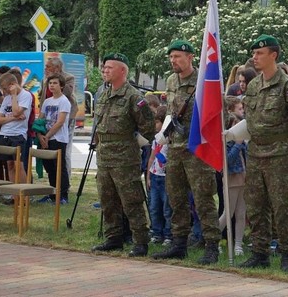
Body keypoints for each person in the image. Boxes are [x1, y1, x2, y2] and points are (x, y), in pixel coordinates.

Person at [226, 34, 288, 272]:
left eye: (259, 53)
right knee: (256, 205)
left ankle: (287, 253)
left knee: (282, 206)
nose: (254, 57)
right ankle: (260, 252)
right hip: (255, 153)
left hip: (280, 155)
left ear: (273, 55)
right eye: (254, 53)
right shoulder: (254, 86)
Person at [151, 40, 221, 265]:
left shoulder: (203, 81)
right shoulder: (171, 81)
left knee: (203, 199)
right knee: (176, 199)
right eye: (171, 57)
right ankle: (178, 243)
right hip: (175, 148)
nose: (173, 61)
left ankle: (212, 246)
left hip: (197, 149)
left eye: (178, 57)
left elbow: (217, 114)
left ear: (190, 57)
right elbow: (171, 111)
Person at [91, 53, 155, 258]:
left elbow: (148, 128)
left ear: (122, 71)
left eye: (109, 67)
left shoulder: (134, 97)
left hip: (125, 159)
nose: (105, 71)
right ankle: (113, 238)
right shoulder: (103, 94)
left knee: (131, 200)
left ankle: (140, 241)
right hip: (104, 156)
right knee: (107, 199)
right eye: (104, 67)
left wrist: (132, 143)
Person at [39, 57, 77, 181]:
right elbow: (42, 96)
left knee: (63, 154)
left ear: (57, 68)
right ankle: (54, 184)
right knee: (48, 154)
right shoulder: (46, 80)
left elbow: (67, 93)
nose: (45, 69)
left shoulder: (68, 78)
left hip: (64, 118)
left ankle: (65, 183)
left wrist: (58, 79)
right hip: (48, 118)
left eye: (48, 66)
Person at [36, 74, 71, 204]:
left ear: (61, 85)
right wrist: (40, 136)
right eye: (50, 83)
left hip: (58, 138)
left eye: (55, 83)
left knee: (59, 167)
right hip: (45, 138)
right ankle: (52, 194)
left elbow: (60, 122)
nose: (52, 85)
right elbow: (40, 120)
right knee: (49, 167)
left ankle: (63, 195)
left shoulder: (64, 101)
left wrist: (48, 135)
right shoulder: (47, 101)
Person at [219, 112, 247, 256]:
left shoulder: (244, 142)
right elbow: (227, 161)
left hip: (244, 178)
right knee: (228, 213)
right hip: (231, 180)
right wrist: (237, 145)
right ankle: (214, 240)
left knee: (241, 214)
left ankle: (238, 245)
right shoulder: (227, 142)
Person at [0, 72, 31, 184]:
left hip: (18, 135)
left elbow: (16, 111)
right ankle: (13, 194)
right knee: (10, 165)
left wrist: (14, 95)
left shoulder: (25, 95)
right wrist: (13, 118)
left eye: (5, 88)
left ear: (13, 84)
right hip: (4, 134)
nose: (4, 92)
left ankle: (23, 194)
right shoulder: (7, 99)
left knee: (18, 165)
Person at [147, 105, 173, 245]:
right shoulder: (156, 139)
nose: (154, 125)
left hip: (165, 178)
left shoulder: (169, 141)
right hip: (155, 176)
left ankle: (168, 234)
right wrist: (148, 176)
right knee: (154, 207)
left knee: (167, 208)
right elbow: (152, 157)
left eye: (157, 122)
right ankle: (156, 233)